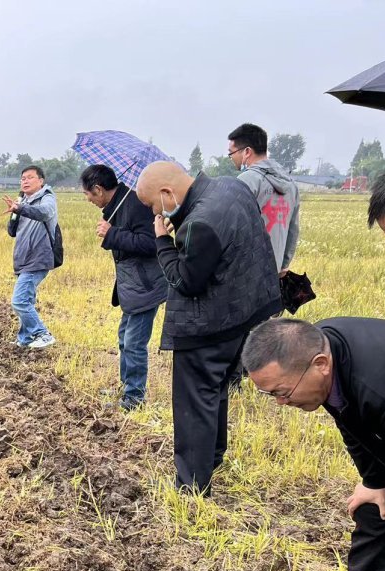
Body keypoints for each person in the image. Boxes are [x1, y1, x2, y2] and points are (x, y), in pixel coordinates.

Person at [243, 318, 385, 571]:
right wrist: (374, 479)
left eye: (282, 392)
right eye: (271, 395)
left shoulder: (379, 389)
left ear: (321, 365)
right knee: (374, 505)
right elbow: (350, 419)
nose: (281, 403)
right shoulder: (319, 349)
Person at [135, 161, 281, 493]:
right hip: (243, 315)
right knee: (215, 391)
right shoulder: (232, 187)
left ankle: (191, 485)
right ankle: (211, 458)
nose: (153, 212)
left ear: (167, 193)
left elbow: (185, 280)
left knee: (195, 401)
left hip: (209, 325)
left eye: (151, 204)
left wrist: (162, 241)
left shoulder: (200, 223)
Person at [81, 164, 167, 409]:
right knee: (124, 338)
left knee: (134, 343)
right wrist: (111, 229)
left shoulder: (136, 204)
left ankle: (134, 397)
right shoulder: (118, 204)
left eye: (87, 194)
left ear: (98, 189)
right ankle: (126, 385)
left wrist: (112, 234)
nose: (88, 199)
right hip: (132, 285)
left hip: (145, 286)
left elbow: (151, 243)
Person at [227, 123, 300, 274]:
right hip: (274, 271)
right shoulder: (291, 184)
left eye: (231, 153)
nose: (231, 158)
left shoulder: (246, 181)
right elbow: (293, 229)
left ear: (247, 151)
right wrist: (284, 265)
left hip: (247, 273)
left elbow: (231, 227)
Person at [2, 165, 59, 350]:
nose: (25, 181)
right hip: (23, 258)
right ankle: (25, 338)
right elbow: (12, 232)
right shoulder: (23, 200)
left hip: (38, 257)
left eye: (29, 177)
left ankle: (42, 334)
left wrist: (20, 208)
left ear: (41, 181)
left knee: (19, 301)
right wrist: (15, 212)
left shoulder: (46, 198)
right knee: (27, 300)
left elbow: (44, 213)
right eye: (22, 178)